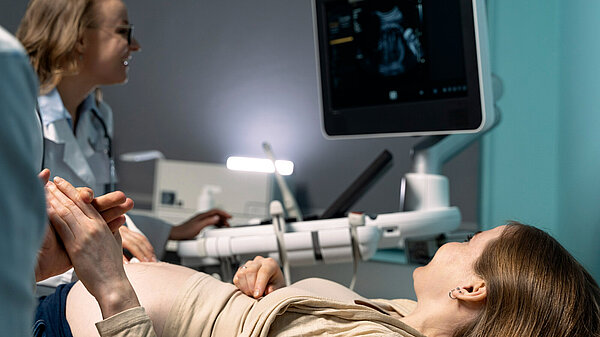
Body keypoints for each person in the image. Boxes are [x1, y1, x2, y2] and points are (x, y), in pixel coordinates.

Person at [57, 219, 599, 336]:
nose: (453, 243)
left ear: (472, 288)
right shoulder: (397, 316)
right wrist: (273, 294)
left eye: (471, 242)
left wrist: (112, 286)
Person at [16, 0, 231, 265]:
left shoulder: (98, 116)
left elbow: (96, 213)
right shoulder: (16, 111)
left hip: (82, 279)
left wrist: (170, 231)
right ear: (80, 38)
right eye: (123, 32)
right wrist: (99, 241)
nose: (136, 45)